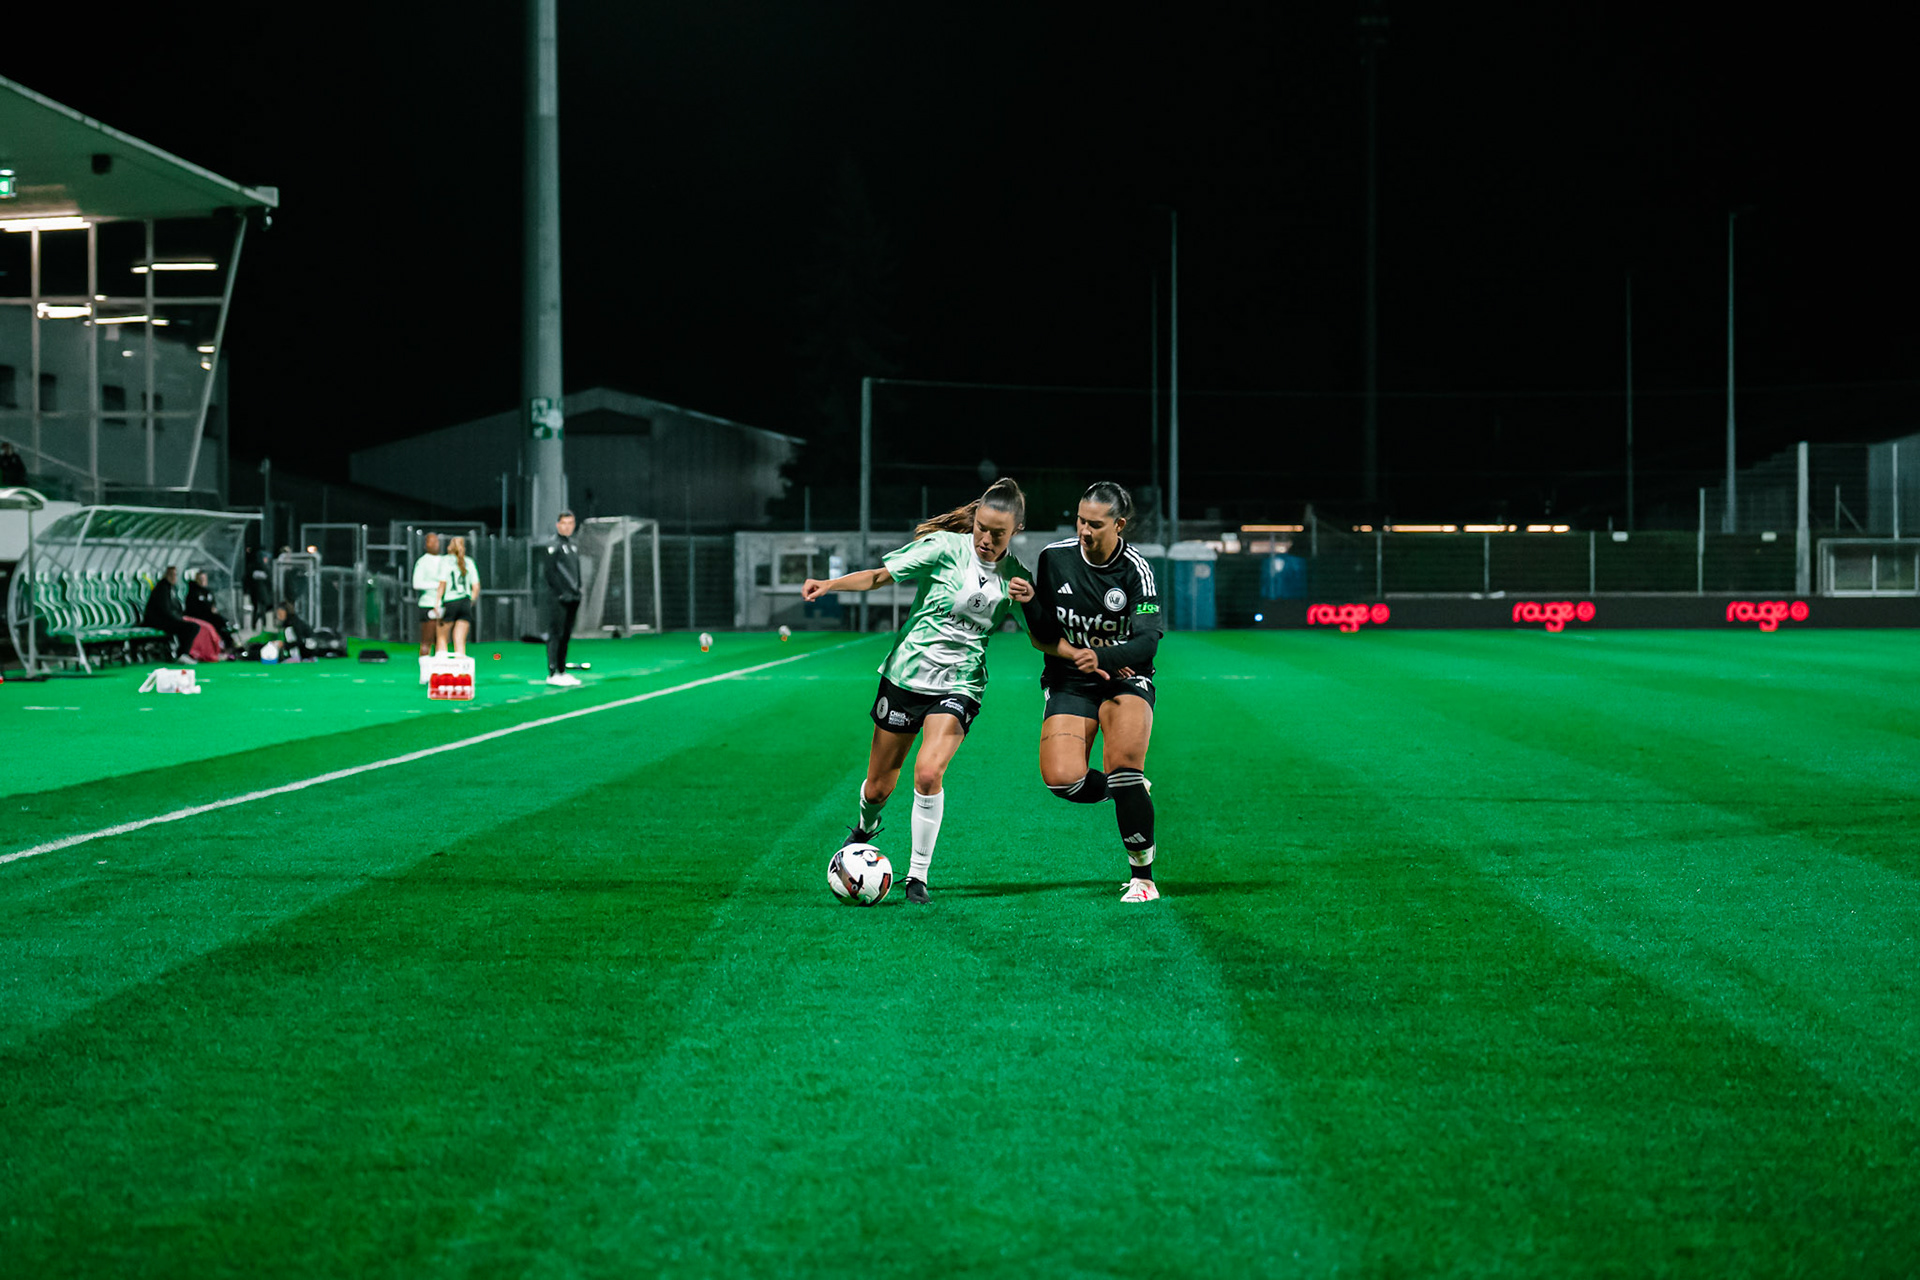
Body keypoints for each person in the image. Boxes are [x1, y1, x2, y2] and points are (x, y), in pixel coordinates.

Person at [800, 478, 1034, 905]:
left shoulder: (1016, 578)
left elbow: (1041, 636)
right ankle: (866, 827)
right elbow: (878, 577)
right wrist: (830, 585)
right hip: (906, 677)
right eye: (981, 528)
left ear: (1016, 530)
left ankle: (917, 876)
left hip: (960, 683)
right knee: (877, 788)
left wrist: (1034, 602)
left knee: (928, 773)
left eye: (997, 533)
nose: (985, 539)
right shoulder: (943, 547)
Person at [1021, 481, 1164, 903]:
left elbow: (1148, 640)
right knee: (1062, 780)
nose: (1084, 530)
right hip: (1070, 680)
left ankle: (1143, 879)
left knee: (1123, 768)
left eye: (1096, 524)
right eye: (1081, 520)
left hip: (1125, 679)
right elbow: (1043, 632)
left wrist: (1104, 656)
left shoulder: (1136, 570)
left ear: (1119, 525)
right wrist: (1030, 602)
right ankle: (1129, 791)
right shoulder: (1054, 558)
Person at [543, 511, 583, 687]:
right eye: (564, 523)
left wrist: (578, 591)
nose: (567, 527)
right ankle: (552, 673)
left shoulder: (572, 545)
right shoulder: (554, 545)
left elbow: (576, 572)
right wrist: (560, 593)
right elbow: (549, 572)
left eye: (570, 523)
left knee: (566, 635)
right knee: (556, 634)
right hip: (558, 598)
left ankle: (562, 671)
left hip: (573, 597)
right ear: (558, 525)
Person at [142, 565, 201, 664]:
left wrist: (179, 618)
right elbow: (165, 610)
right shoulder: (162, 589)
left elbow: (174, 608)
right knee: (192, 627)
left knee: (190, 627)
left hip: (165, 620)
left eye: (175, 575)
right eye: (172, 575)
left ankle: (182, 654)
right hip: (158, 622)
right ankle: (182, 654)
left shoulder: (170, 588)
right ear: (167, 575)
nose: (174, 577)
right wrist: (178, 620)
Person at [436, 536, 481, 659]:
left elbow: (442, 583)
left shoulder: (445, 560)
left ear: (450, 547)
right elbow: (476, 587)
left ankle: (442, 664)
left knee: (442, 636)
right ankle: (460, 666)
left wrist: (437, 602)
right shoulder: (469, 561)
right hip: (465, 601)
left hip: (450, 601)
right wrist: (471, 601)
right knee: (460, 639)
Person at [411, 532, 446, 684]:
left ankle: (439, 673)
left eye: (437, 541)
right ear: (426, 545)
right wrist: (437, 585)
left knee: (442, 641)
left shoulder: (445, 561)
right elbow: (416, 583)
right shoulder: (422, 562)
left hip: (444, 605)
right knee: (427, 640)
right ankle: (425, 674)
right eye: (432, 542)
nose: (435, 544)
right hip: (428, 605)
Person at [184, 569, 240, 654]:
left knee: (222, 622)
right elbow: (196, 608)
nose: (203, 581)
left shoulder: (208, 592)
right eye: (200, 579)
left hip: (210, 617)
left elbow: (212, 606)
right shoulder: (193, 593)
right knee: (218, 622)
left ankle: (230, 643)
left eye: (204, 579)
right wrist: (208, 609)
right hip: (200, 617)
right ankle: (227, 645)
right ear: (196, 580)